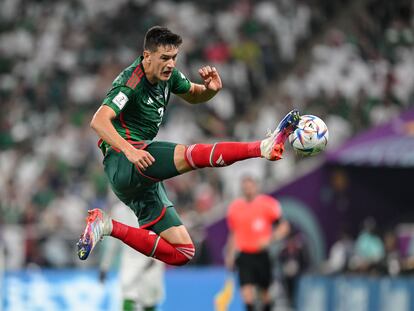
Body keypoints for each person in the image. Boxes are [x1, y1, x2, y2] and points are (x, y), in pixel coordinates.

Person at [77, 26, 300, 267]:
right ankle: (262, 147)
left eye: (174, 58)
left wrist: (209, 91)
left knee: (183, 251)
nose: (171, 64)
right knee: (191, 155)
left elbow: (193, 94)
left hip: (142, 177)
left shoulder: (168, 75)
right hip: (123, 161)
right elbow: (98, 121)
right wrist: (130, 151)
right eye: (164, 58)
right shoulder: (130, 82)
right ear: (146, 56)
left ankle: (107, 225)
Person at [225, 176, 290, 311]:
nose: (247, 190)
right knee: (247, 294)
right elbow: (233, 234)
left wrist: (271, 239)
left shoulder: (268, 204)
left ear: (256, 187)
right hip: (244, 255)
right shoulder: (235, 208)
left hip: (262, 254)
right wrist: (230, 254)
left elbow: (284, 226)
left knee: (265, 293)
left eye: (250, 187)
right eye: (245, 188)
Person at [99, 202, 165, 311]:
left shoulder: (152, 205)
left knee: (149, 299)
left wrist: (155, 257)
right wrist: (105, 266)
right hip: (130, 260)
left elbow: (161, 232)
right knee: (128, 294)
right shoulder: (118, 210)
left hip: (152, 258)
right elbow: (112, 241)